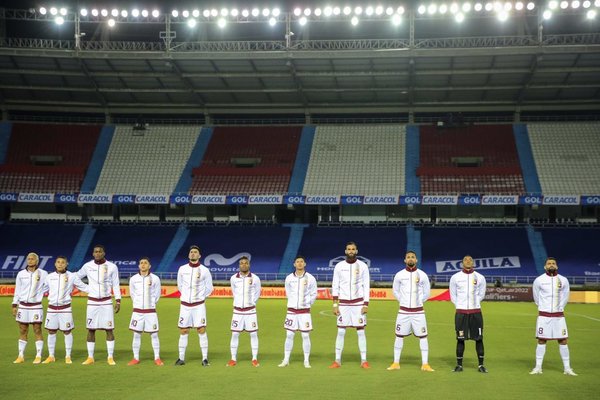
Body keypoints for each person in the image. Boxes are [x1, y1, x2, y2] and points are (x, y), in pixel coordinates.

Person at [387, 251, 434, 372]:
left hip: (419, 312)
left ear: (416, 260)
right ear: (405, 260)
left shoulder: (422, 275)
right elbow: (395, 291)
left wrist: (418, 303)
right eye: (408, 257)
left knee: (423, 337)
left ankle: (425, 364)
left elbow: (427, 293)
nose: (410, 259)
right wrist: (403, 301)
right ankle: (396, 362)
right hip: (403, 312)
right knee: (399, 336)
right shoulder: (399, 275)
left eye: (412, 257)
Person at [529, 257, 577, 376]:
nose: (551, 265)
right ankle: (538, 368)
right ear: (545, 266)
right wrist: (543, 308)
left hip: (559, 316)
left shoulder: (563, 280)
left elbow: (565, 296)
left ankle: (567, 368)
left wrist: (559, 308)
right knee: (541, 340)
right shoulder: (539, 280)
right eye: (549, 263)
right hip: (544, 316)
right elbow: (536, 297)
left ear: (557, 266)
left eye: (553, 263)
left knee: (563, 340)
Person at [77, 245, 121, 365]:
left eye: (100, 251)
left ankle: (110, 357)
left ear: (104, 253)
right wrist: (87, 288)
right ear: (93, 253)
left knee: (109, 329)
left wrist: (118, 300)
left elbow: (116, 284)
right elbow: (76, 277)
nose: (97, 253)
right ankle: (90, 357)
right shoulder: (87, 266)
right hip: (92, 302)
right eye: (95, 251)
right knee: (91, 329)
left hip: (106, 302)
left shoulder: (112, 267)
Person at [329, 241, 370, 369]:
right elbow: (335, 285)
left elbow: (366, 285)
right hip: (344, 303)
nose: (351, 251)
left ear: (356, 251)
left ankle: (364, 360)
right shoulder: (339, 266)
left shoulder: (363, 266)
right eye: (349, 249)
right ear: (345, 251)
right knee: (341, 331)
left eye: (353, 249)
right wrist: (335, 305)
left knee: (360, 332)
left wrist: (366, 304)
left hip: (358, 303)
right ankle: (337, 360)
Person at [42, 256, 88, 364]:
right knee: (51, 331)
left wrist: (97, 291)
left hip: (65, 309)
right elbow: (42, 290)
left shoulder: (72, 276)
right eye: (58, 262)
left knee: (67, 331)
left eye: (63, 262)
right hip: (52, 309)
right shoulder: (49, 277)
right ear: (55, 264)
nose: (60, 264)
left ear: (66, 264)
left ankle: (68, 356)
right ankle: (51, 356)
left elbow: (83, 287)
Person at [175, 245, 213, 366]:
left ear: (199, 255)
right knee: (184, 330)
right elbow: (180, 285)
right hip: (185, 306)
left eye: (195, 252)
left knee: (201, 330)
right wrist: (187, 297)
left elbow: (209, 288)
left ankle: (205, 358)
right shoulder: (182, 269)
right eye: (191, 252)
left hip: (199, 306)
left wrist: (200, 298)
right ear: (188, 255)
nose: (193, 254)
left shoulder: (205, 270)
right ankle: (181, 358)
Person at [449, 255, 487, 373]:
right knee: (460, 339)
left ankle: (481, 365)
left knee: (479, 339)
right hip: (461, 313)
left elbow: (481, 294)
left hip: (476, 313)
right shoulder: (455, 277)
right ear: (462, 263)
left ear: (473, 262)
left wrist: (473, 305)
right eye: (466, 260)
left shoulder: (480, 277)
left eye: (470, 260)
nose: (468, 261)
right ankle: (459, 365)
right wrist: (460, 306)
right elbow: (453, 295)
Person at [278, 256, 317, 369]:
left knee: (305, 335)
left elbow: (314, 294)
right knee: (289, 335)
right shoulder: (289, 278)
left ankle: (306, 360)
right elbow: (288, 293)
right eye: (297, 262)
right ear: (294, 264)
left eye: (301, 262)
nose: (299, 263)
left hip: (305, 312)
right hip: (291, 311)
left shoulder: (311, 278)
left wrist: (306, 303)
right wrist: (293, 303)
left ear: (305, 264)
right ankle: (286, 359)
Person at [12, 252, 49, 364]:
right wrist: (14, 304)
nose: (30, 260)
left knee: (37, 329)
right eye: (28, 259)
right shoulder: (21, 274)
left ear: (37, 261)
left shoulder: (43, 273)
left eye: (32, 259)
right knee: (23, 330)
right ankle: (20, 355)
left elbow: (47, 287)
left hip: (36, 306)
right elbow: (17, 290)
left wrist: (40, 294)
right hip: (23, 306)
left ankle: (38, 355)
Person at [127, 257, 163, 366]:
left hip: (150, 311)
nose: (143, 265)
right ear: (139, 266)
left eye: (145, 263)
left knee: (154, 334)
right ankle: (136, 358)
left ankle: (157, 358)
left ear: (149, 266)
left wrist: (151, 304)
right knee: (136, 335)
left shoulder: (155, 279)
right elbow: (132, 294)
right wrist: (138, 304)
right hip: (137, 312)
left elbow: (157, 295)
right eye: (141, 263)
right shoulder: (133, 279)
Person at [227, 256, 261, 367]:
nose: (244, 265)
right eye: (241, 263)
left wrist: (250, 303)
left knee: (253, 334)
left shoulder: (255, 278)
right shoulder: (233, 278)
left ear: (249, 265)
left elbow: (257, 293)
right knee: (235, 334)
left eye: (246, 263)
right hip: (237, 312)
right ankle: (233, 359)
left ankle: (254, 358)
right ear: (239, 265)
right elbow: (234, 292)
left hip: (250, 311)